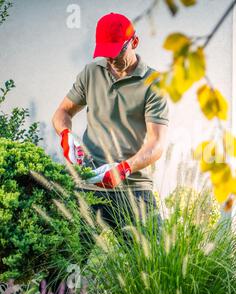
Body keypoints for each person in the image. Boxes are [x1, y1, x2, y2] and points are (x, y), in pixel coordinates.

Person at [52, 12, 168, 234]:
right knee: (65, 264)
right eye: (105, 53)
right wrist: (66, 135)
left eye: (117, 51)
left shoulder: (154, 84)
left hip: (134, 189)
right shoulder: (91, 73)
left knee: (154, 264)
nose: (111, 59)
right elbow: (62, 112)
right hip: (88, 186)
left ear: (134, 42)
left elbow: (157, 143)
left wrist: (124, 169)